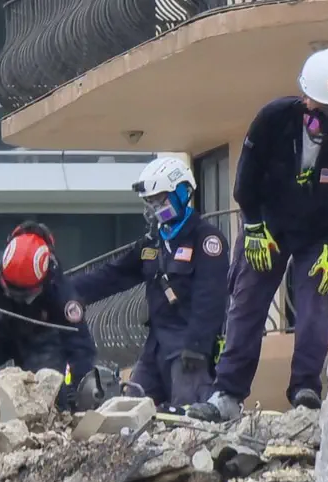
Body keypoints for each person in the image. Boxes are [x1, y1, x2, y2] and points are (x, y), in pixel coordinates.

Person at [189, 48, 328, 422]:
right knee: (247, 304)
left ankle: (305, 390)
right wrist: (253, 225)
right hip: (267, 226)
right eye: (320, 109)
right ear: (305, 98)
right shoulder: (273, 119)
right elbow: (245, 181)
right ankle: (227, 393)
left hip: (319, 236)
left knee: (316, 307)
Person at [72, 156, 229, 408]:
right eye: (151, 202)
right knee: (130, 410)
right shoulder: (153, 243)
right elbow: (113, 275)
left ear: (182, 193)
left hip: (188, 348)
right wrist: (67, 291)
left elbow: (211, 298)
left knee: (185, 415)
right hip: (155, 347)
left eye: (161, 200)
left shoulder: (206, 240)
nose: (156, 208)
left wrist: (198, 346)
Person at [0, 223, 96, 408]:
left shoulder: (63, 296)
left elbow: (80, 347)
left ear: (43, 281)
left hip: (41, 342)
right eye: (9, 291)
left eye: (23, 295)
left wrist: (75, 392)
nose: (14, 297)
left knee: (51, 397)